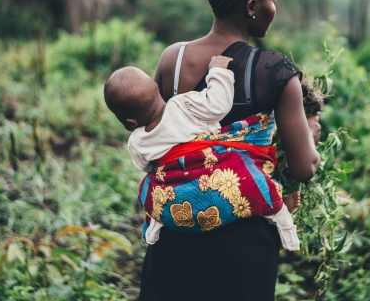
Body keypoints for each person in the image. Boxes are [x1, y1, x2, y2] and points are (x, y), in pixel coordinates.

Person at [135, 0, 321, 301]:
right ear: (252, 5)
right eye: (272, 0)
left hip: (177, 230)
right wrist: (310, 135)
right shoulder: (273, 70)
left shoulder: (172, 60)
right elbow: (303, 169)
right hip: (242, 246)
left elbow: (156, 137)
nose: (274, 8)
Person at [103, 56, 301, 251]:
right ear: (156, 89)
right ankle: (282, 219)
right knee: (250, 179)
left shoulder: (137, 141)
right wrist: (218, 71)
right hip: (214, 177)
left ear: (130, 123)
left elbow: (146, 167)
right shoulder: (183, 104)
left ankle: (154, 227)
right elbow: (218, 105)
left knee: (148, 188)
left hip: (178, 200)